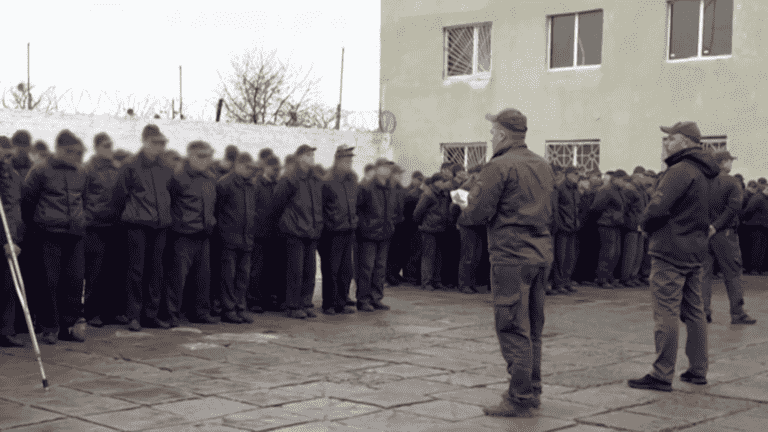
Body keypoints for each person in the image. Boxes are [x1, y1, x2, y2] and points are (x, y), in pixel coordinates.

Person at [460, 108, 554, 417]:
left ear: (502, 134)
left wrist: (462, 201)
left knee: (512, 324)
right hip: (540, 252)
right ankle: (533, 388)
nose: (490, 138)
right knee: (534, 326)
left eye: (492, 133)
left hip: (511, 255)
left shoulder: (498, 166)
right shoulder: (543, 165)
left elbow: (478, 212)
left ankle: (519, 395)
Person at [628, 121, 719, 392]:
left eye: (671, 138)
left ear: (684, 141)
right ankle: (698, 369)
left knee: (665, 310)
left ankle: (662, 372)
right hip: (694, 248)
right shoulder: (707, 171)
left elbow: (658, 206)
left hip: (670, 249)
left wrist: (644, 225)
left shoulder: (680, 169)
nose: (666, 143)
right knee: (695, 311)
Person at [21, 129, 88, 344]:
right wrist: (38, 224)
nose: (73, 155)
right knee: (48, 282)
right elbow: (28, 201)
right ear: (58, 149)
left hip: (74, 233)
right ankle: (49, 326)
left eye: (76, 151)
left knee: (74, 281)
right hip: (48, 233)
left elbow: (83, 199)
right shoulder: (40, 170)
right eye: (69, 151)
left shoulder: (80, 172)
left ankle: (68, 326)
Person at [112, 124, 174, 332]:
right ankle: (134, 315)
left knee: (156, 271)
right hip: (137, 224)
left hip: (160, 224)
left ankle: (151, 314)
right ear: (145, 142)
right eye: (155, 143)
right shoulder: (130, 166)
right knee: (136, 271)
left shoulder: (165, 167)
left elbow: (170, 193)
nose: (160, 147)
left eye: (162, 143)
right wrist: (126, 217)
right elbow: (119, 195)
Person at [701, 149, 756, 325]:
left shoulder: (702, 180)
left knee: (704, 274)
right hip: (724, 234)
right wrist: (716, 226)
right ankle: (737, 312)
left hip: (703, 233)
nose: (731, 164)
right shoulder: (732, 182)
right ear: (723, 162)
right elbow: (733, 208)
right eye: (730, 161)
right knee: (733, 274)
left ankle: (703, 312)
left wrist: (706, 226)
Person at [165, 141, 218, 327]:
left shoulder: (210, 179)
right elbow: (168, 202)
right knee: (177, 277)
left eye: (208, 156)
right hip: (183, 234)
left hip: (203, 234)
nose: (205, 160)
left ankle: (200, 312)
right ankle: (171, 313)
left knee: (203, 277)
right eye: (201, 156)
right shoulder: (178, 177)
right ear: (190, 156)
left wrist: (210, 222)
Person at [270, 144, 324, 319]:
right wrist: (287, 224)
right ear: (300, 157)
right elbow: (277, 203)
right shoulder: (290, 179)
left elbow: (318, 205)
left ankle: (306, 303)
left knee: (309, 270)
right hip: (295, 231)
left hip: (311, 231)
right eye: (308, 155)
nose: (311, 158)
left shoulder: (314, 179)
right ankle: (293, 305)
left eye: (312, 155)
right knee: (295, 271)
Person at [83, 132, 124, 328]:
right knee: (95, 272)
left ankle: (111, 311)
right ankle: (92, 312)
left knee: (113, 271)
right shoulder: (88, 170)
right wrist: (88, 217)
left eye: (111, 145)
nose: (110, 149)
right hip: (95, 226)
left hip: (114, 225)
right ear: (97, 147)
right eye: (106, 145)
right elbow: (82, 196)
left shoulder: (117, 169)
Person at [215, 152, 259, 324]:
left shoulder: (251, 186)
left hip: (246, 239)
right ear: (239, 165)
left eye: (252, 169)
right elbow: (218, 209)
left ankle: (240, 307)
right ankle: (228, 309)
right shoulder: (225, 184)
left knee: (243, 276)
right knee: (228, 277)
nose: (251, 171)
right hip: (229, 239)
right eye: (248, 168)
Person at [319, 145, 358, 315]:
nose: (349, 163)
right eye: (346, 160)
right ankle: (329, 303)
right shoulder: (327, 181)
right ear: (338, 160)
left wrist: (354, 220)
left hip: (348, 229)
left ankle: (342, 302)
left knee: (345, 270)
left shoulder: (351, 180)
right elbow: (321, 207)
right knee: (331, 270)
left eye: (351, 160)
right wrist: (328, 224)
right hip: (332, 232)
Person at [356, 157, 399, 312]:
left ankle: (376, 297)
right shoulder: (367, 187)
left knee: (380, 268)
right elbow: (357, 208)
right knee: (366, 268)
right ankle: (363, 299)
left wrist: (390, 225)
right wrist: (363, 226)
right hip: (368, 234)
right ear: (378, 168)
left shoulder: (389, 188)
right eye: (385, 167)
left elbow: (392, 210)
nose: (388, 171)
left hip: (384, 233)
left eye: (389, 168)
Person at [249, 153, 284, 312]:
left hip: (274, 235)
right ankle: (254, 300)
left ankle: (269, 298)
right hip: (259, 234)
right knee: (257, 269)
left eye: (278, 169)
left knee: (271, 269)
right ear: (267, 168)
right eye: (274, 169)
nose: (277, 172)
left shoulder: (277, 185)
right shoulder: (257, 184)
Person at [0, 136, 25, 347]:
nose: (8, 160)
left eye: (10, 156)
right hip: (3, 236)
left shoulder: (14, 177)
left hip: (10, 237)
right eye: (4, 155)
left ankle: (6, 330)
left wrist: (14, 239)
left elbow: (14, 210)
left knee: (8, 285)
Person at [413, 174, 453, 291]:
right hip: (429, 228)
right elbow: (418, 212)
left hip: (440, 228)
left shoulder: (444, 194)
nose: (444, 183)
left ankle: (437, 280)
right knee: (428, 256)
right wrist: (423, 223)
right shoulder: (428, 194)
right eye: (442, 181)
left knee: (439, 256)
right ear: (435, 182)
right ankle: (426, 282)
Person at [590, 171, 625, 288]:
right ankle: (602, 278)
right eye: (622, 180)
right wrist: (607, 216)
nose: (624, 182)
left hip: (615, 224)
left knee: (615, 252)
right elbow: (596, 207)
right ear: (615, 179)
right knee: (607, 253)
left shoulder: (618, 191)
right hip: (606, 224)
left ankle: (609, 276)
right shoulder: (606, 190)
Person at [456, 164, 486, 294]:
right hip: (468, 224)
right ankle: (464, 284)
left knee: (476, 255)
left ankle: (472, 283)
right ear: (475, 173)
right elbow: (458, 203)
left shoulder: (481, 185)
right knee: (468, 255)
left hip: (478, 223)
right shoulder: (467, 186)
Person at [551, 166, 581, 294]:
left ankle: (566, 281)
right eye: (575, 173)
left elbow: (576, 207)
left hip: (572, 226)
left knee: (570, 256)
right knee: (560, 257)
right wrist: (559, 224)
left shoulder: (574, 189)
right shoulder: (560, 187)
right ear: (567, 174)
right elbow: (556, 208)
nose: (577, 176)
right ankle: (558, 283)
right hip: (562, 227)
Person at [402, 171, 425, 285]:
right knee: (411, 251)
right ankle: (410, 274)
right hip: (410, 226)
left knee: (413, 251)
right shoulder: (411, 193)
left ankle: (411, 274)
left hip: (413, 226)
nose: (420, 182)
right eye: (419, 179)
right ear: (414, 179)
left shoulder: (416, 193)